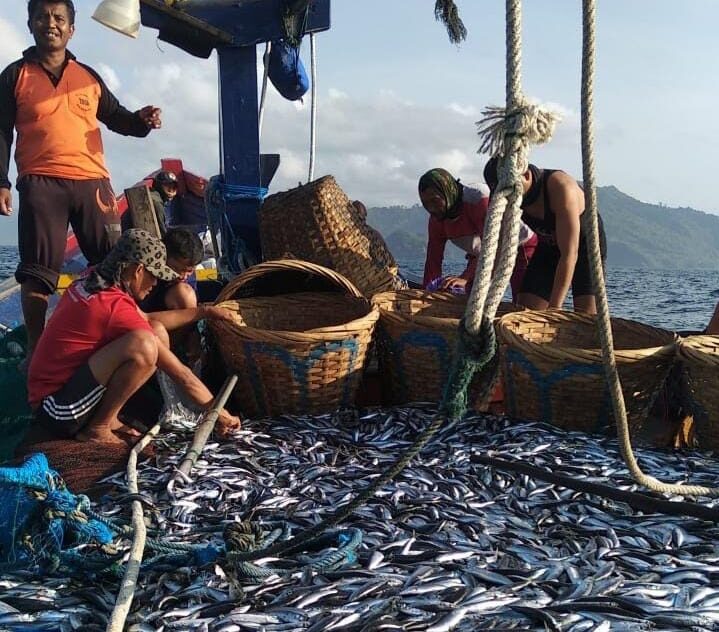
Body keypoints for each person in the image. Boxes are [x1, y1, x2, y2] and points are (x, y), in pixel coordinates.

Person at [0, 0, 163, 361]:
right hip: (41, 182)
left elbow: (117, 117)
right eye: (42, 17)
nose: (51, 24)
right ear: (30, 25)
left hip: (93, 183)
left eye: (59, 18)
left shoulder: (88, 76)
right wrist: (2, 182)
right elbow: (1, 133)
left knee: (113, 263)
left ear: (72, 29)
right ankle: (37, 349)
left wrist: (142, 120)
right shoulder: (15, 75)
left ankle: (112, 338)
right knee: (37, 272)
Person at [26, 229, 241, 445]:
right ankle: (97, 428)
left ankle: (107, 420)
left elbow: (147, 318)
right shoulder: (112, 307)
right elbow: (180, 373)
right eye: (154, 276)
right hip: (56, 409)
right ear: (137, 270)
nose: (155, 284)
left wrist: (205, 311)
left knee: (154, 330)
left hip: (53, 392)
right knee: (146, 346)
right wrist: (219, 412)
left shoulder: (93, 280)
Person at [483, 157, 607, 313]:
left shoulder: (561, 188)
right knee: (526, 309)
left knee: (586, 316)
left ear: (526, 176)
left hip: (584, 246)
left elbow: (569, 255)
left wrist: (554, 308)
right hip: (548, 246)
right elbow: (498, 248)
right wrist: (482, 293)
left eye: (511, 190)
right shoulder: (502, 199)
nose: (509, 197)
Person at [418, 168, 537, 300]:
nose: (431, 208)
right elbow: (433, 260)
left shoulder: (477, 199)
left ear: (447, 192)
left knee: (523, 301)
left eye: (435, 201)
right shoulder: (437, 220)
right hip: (482, 255)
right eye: (426, 204)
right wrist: (428, 292)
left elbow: (493, 246)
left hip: (519, 246)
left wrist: (465, 278)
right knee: (467, 293)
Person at [140, 227, 204, 363]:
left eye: (188, 271)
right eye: (175, 268)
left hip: (164, 334)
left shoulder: (183, 289)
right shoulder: (145, 271)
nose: (182, 276)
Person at [121, 170, 178, 236]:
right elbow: (162, 231)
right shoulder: (157, 202)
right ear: (159, 185)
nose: (171, 190)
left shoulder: (145, 196)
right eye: (167, 186)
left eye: (173, 187)